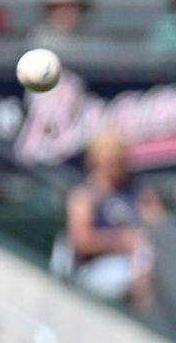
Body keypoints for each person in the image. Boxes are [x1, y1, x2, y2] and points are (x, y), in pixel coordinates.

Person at [64, 131, 166, 313]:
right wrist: (121, 241)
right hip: (95, 269)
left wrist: (148, 222)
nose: (112, 166)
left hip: (140, 261)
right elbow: (81, 241)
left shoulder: (137, 191)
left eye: (116, 160)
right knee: (140, 266)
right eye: (107, 159)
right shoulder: (84, 195)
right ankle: (142, 320)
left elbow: (162, 226)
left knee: (152, 262)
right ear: (95, 160)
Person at [27, 0, 92, 54]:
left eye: (72, 7)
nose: (65, 13)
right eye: (59, 7)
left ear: (82, 10)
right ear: (48, 11)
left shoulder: (94, 46)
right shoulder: (34, 46)